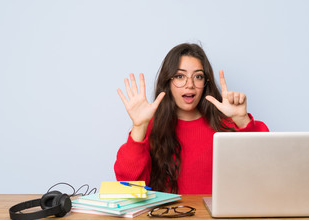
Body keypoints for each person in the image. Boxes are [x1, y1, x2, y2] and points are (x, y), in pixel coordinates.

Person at [114, 43, 269, 194]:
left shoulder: (227, 124)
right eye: (180, 76)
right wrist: (139, 126)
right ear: (168, 83)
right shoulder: (151, 128)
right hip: (166, 218)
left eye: (198, 76)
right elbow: (128, 188)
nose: (190, 84)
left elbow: (267, 166)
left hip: (217, 219)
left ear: (205, 83)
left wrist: (241, 120)